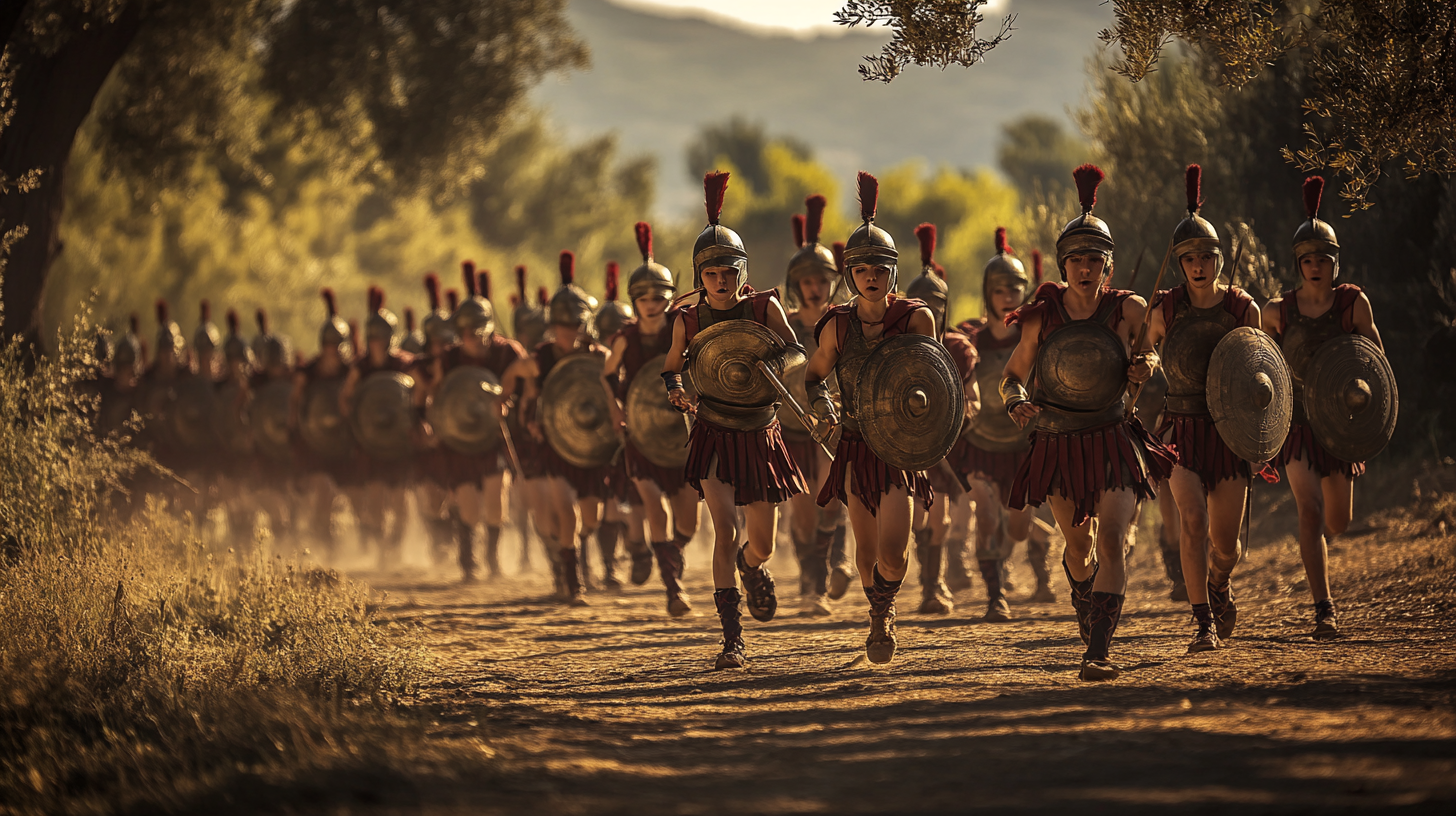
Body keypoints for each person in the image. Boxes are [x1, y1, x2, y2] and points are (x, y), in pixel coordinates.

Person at [1001, 164, 1176, 681]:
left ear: (1108, 266)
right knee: (1078, 548)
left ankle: (1097, 649)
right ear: (1062, 265)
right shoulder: (1040, 317)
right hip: (1057, 441)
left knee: (1115, 536)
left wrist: (1147, 365)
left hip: (1113, 435)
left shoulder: (1129, 311)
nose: (1084, 268)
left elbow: (1152, 358)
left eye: (1094, 259)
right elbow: (1012, 377)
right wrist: (1016, 403)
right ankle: (1082, 590)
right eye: (1076, 259)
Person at [662, 171, 808, 669]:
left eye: (728, 273)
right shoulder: (687, 319)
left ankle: (753, 569)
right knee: (723, 529)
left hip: (761, 431)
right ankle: (733, 640)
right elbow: (670, 368)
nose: (720, 282)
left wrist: (776, 365)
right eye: (710, 275)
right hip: (712, 432)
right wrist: (678, 390)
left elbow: (794, 352)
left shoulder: (765, 306)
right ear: (698, 277)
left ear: (741, 272)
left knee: (761, 543)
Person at [805, 172, 939, 665]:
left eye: (880, 267)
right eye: (861, 268)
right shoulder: (838, 327)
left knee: (894, 554)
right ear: (850, 275)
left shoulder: (916, 319)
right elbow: (814, 378)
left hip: (900, 448)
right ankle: (879, 617)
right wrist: (822, 408)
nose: (871, 276)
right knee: (864, 554)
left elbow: (936, 379)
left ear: (893, 272)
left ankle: (885, 610)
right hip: (857, 447)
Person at [1140, 166, 1264, 652]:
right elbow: (1149, 352)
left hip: (1229, 431)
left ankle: (1219, 583)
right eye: (1190, 257)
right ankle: (1202, 623)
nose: (1199, 265)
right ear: (1179, 263)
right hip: (1181, 427)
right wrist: (1142, 365)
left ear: (1217, 260)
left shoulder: (1242, 309)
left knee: (1225, 546)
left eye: (1207, 256)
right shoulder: (1165, 309)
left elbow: (1262, 371)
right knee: (1192, 521)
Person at [1262, 176, 1384, 640]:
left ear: (1336, 262)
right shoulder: (1279, 312)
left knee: (1339, 521)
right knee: (1309, 511)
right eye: (1308, 259)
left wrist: (1368, 416)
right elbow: (1265, 369)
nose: (1316, 266)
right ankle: (1323, 608)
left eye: (1324, 259)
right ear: (1298, 264)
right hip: (1298, 425)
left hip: (1341, 424)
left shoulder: (1353, 304)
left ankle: (1323, 565)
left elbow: (1377, 364)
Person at [600, 221, 701, 616]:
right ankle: (673, 588)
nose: (649, 303)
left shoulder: (683, 329)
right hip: (641, 437)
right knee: (654, 510)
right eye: (641, 297)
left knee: (688, 524)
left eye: (657, 295)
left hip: (681, 435)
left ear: (668, 298)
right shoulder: (624, 337)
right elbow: (608, 374)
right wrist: (616, 408)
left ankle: (671, 554)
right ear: (633, 300)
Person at [957, 230, 1058, 619]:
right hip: (982, 441)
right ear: (988, 293)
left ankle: (1037, 554)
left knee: (1018, 526)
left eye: (1015, 289)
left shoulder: (1033, 338)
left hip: (1023, 444)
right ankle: (995, 595)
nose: (1008, 298)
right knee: (985, 514)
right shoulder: (971, 343)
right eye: (1000, 290)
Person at [503, 251, 609, 605]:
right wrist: (505, 397)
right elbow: (514, 373)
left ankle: (574, 557)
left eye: (576, 325)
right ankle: (572, 581)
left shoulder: (596, 355)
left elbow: (614, 379)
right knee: (565, 509)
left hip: (591, 447)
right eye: (564, 326)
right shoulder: (542, 357)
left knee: (590, 517)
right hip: (553, 444)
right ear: (554, 327)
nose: (570, 332)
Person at [425, 262, 525, 582]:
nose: (470, 339)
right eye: (465, 334)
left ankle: (493, 558)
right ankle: (469, 561)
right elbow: (436, 395)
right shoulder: (450, 358)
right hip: (459, 438)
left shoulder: (507, 352)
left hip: (494, 436)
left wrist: (508, 398)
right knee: (467, 505)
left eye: (475, 333)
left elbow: (528, 381)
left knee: (496, 503)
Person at [904, 222, 980, 617]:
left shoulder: (958, 349)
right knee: (916, 517)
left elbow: (973, 399)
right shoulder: (893, 349)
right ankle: (925, 580)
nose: (928, 313)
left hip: (945, 446)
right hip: (903, 447)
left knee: (940, 514)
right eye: (921, 306)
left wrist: (958, 416)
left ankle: (933, 588)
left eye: (934, 306)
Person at [779, 195, 850, 616]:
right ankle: (810, 579)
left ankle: (825, 576)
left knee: (829, 498)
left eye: (822, 279)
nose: (815, 287)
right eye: (807, 281)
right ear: (797, 284)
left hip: (834, 425)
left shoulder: (843, 322)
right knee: (803, 513)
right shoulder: (782, 325)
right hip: (790, 427)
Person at [340, 286, 420, 569]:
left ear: (390, 337)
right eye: (373, 337)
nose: (376, 342)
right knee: (374, 500)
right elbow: (345, 399)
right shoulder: (360, 367)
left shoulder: (403, 363)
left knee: (399, 501)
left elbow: (420, 392)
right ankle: (378, 550)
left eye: (381, 337)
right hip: (372, 441)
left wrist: (418, 417)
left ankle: (394, 549)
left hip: (399, 442)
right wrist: (356, 417)